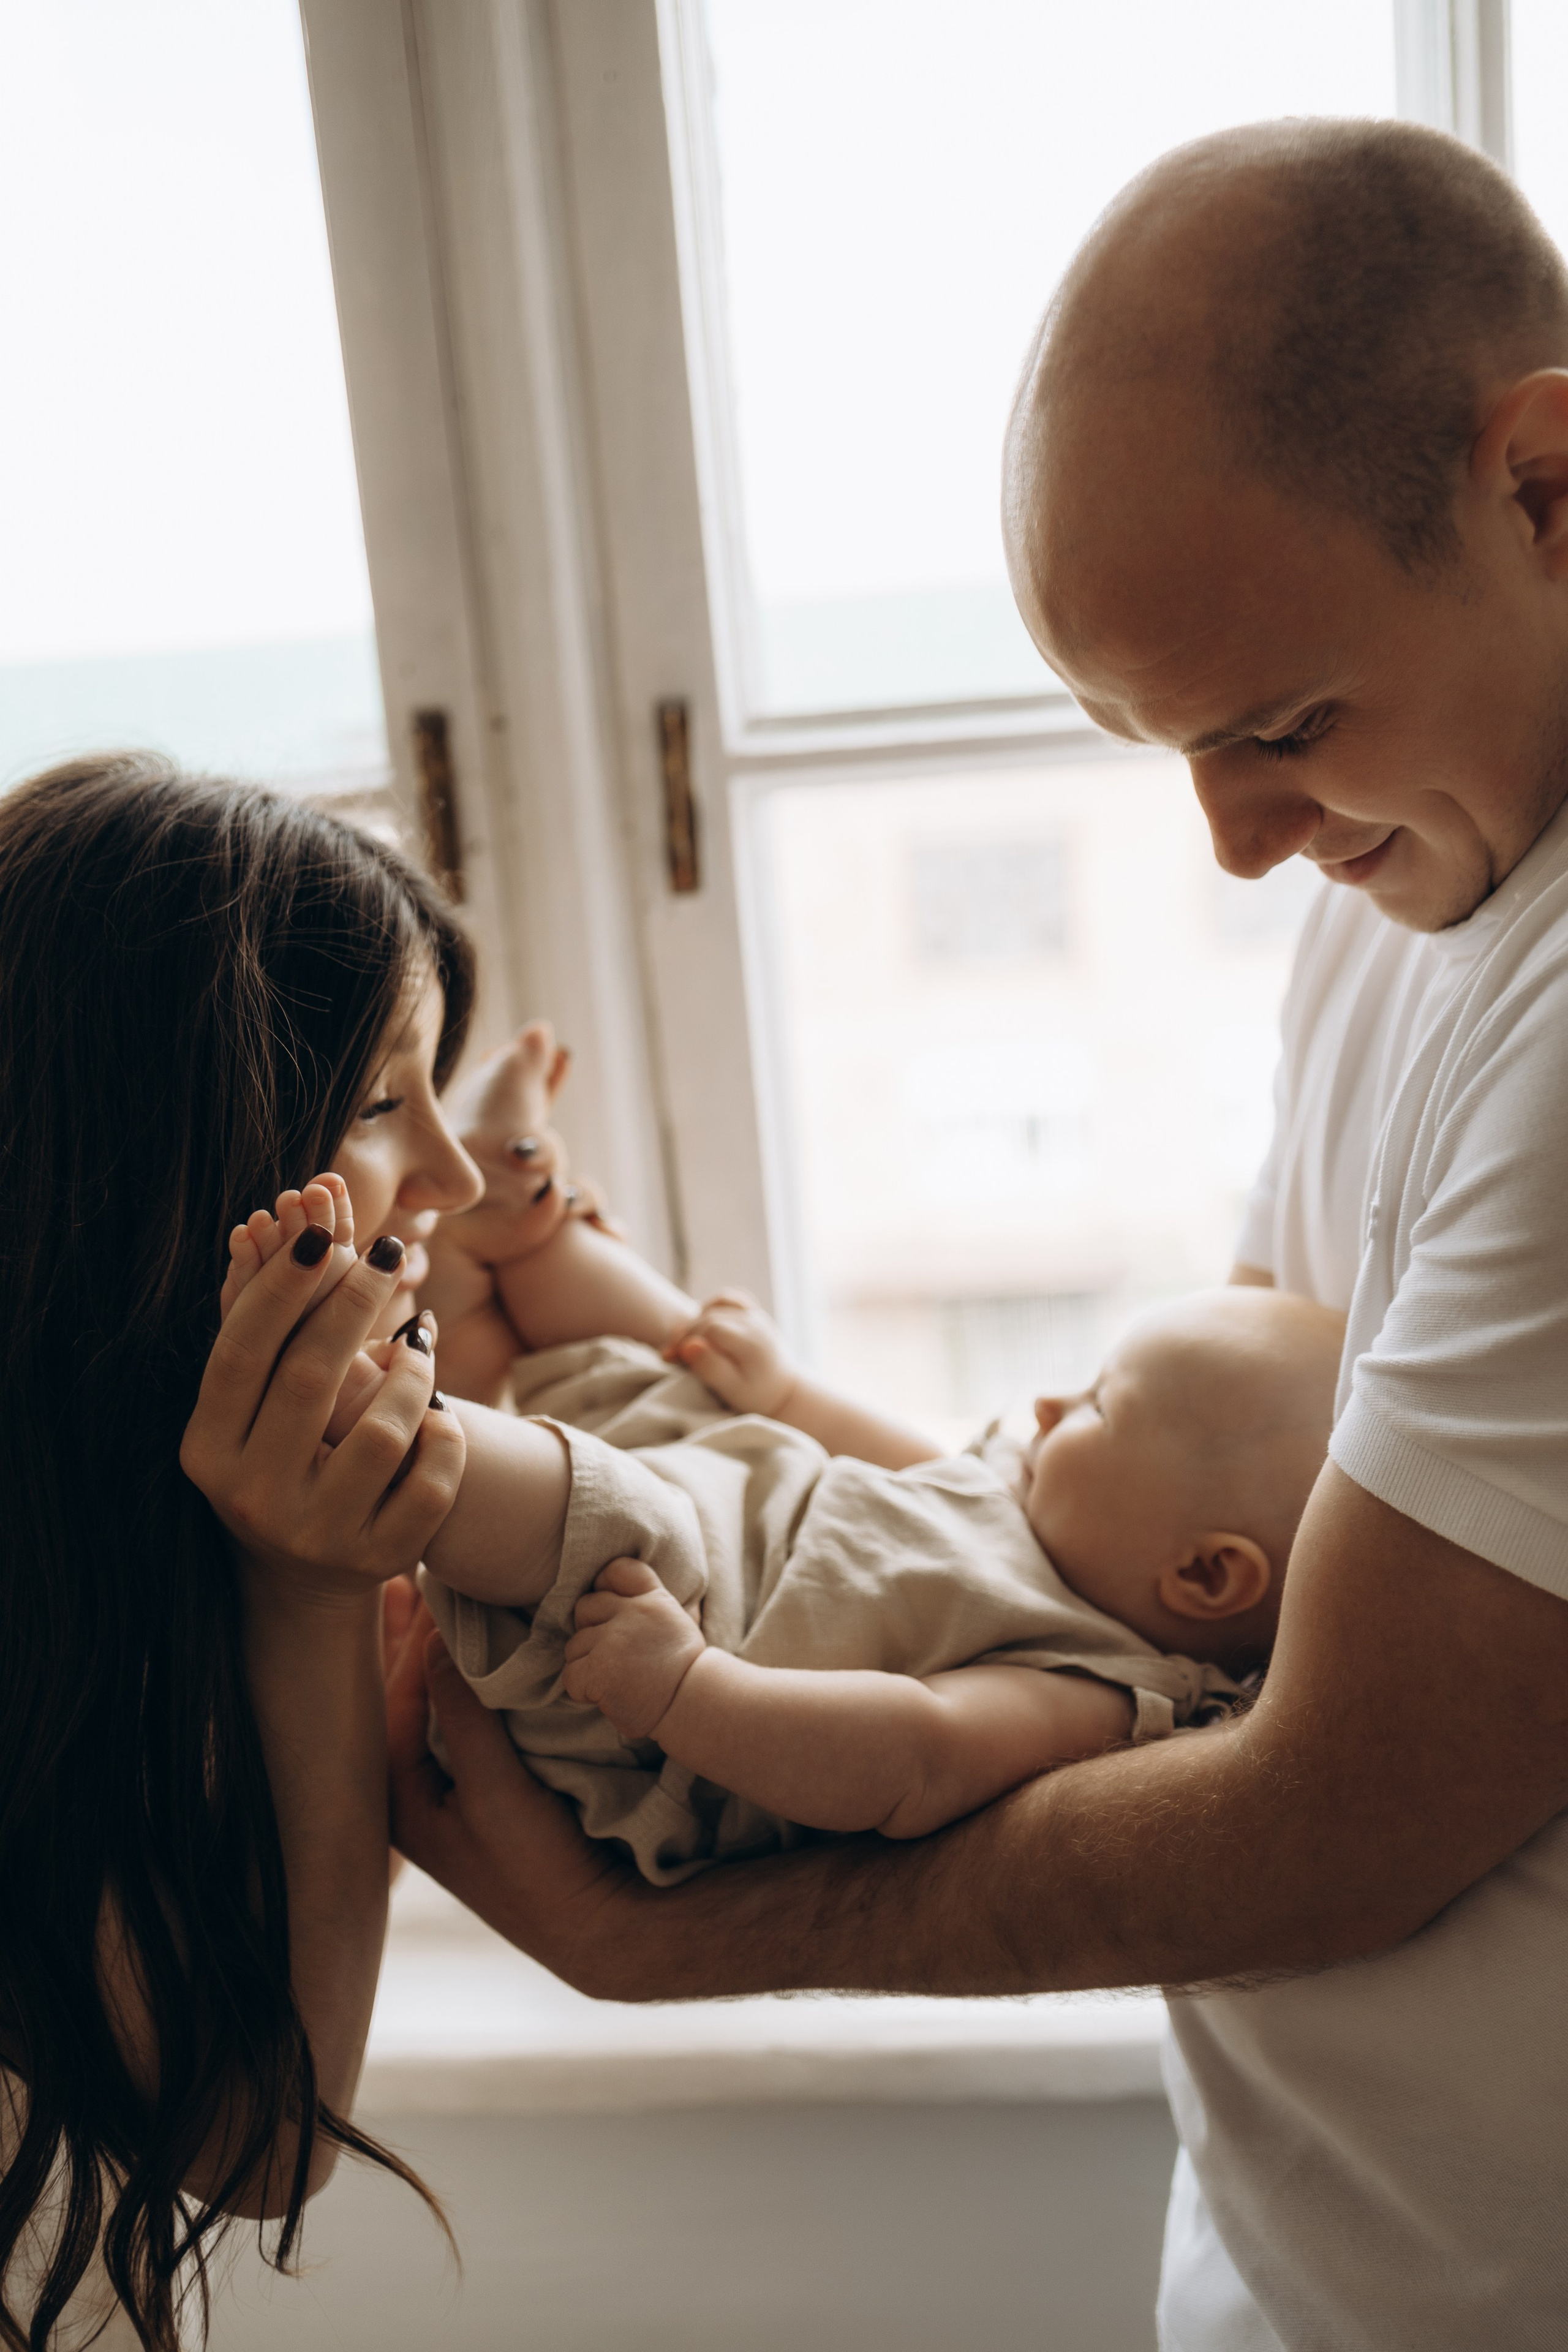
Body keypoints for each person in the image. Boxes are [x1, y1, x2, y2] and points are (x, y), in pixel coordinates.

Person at [384, 118, 1568, 2352]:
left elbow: (1330, 1815)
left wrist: (665, 1943)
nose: (1233, 843)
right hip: (1296, 2275)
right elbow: (1146, 1515)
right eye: (1172, 746)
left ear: (1543, 490)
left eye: (1283, 728)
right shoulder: (1405, 867)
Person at [223, 1039, 1341, 1877]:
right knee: (670, 1360)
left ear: (1204, 1576)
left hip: (664, 1661)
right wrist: (784, 1392)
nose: (1049, 1402)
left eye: (1101, 1406)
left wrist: (688, 1691)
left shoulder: (1105, 1690)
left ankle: (353, 1414)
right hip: (710, 1494)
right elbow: (885, 1454)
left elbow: (915, 1757)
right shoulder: (1026, 1496)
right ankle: (512, 1229)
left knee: (615, 1512)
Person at [0, 752, 521, 2350]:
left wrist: (309, 1592)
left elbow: (249, 2143)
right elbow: (264, 2134)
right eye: (379, 1103)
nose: (453, 1177)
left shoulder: (117, 1543)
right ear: (156, 1174)